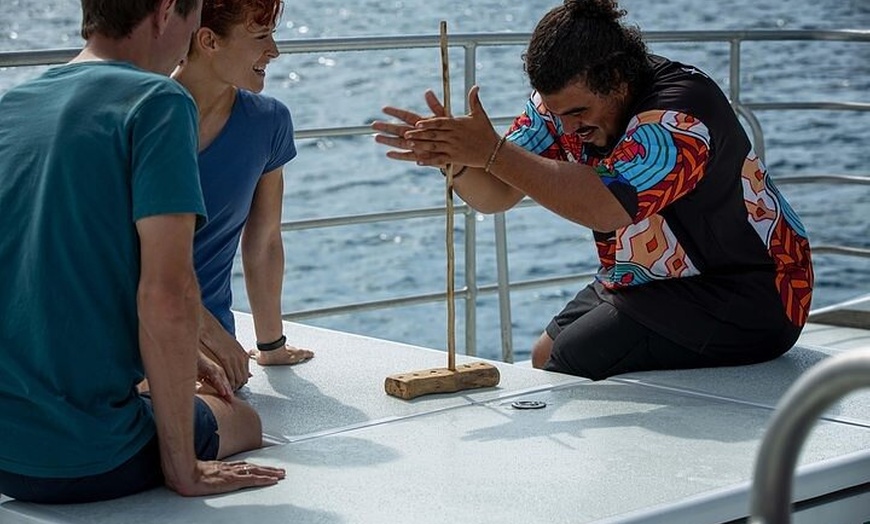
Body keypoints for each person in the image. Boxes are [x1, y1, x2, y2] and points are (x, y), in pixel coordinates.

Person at [372, 0, 814, 380]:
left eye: (578, 112)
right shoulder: (562, 106)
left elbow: (604, 206)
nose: (567, 128)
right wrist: (453, 159)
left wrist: (491, 151)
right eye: (557, 114)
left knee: (574, 358)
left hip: (752, 295)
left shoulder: (681, 114)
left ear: (618, 76)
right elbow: (497, 196)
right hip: (648, 283)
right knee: (545, 352)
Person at [0, 0, 285, 504]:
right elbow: (169, 293)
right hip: (89, 455)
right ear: (166, 11)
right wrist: (184, 469)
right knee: (243, 419)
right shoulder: (157, 101)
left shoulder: (13, 104)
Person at [173, 0, 314, 392]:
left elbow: (264, 241)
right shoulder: (135, 117)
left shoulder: (269, 122)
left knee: (233, 423)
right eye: (260, 37)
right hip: (128, 334)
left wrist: (271, 345)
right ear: (208, 41)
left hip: (216, 351)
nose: (275, 51)